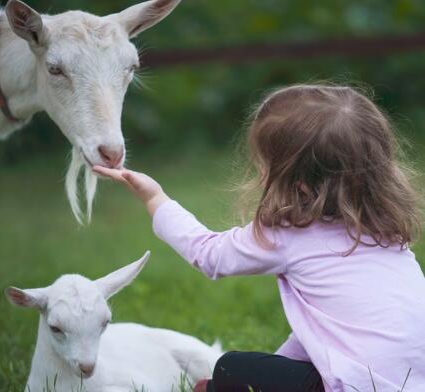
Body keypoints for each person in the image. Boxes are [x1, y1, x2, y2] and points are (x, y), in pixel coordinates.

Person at [93, 85, 425, 392]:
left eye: (265, 166)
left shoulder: (290, 234)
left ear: (300, 186)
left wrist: (155, 199)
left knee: (229, 368)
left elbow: (208, 254)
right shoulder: (388, 234)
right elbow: (325, 332)